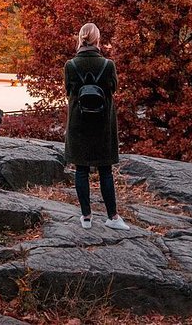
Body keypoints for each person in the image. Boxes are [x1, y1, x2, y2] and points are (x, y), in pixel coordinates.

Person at [64, 23, 128, 230]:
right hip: (103, 124)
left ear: (80, 38)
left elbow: (68, 91)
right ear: (97, 40)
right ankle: (112, 216)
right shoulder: (108, 65)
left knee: (81, 170)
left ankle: (86, 217)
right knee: (105, 170)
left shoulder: (70, 65)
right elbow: (114, 88)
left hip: (78, 123)